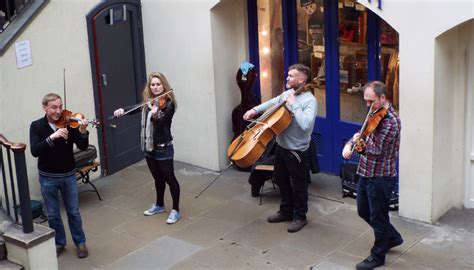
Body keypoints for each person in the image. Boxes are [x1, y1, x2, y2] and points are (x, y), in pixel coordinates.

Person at [243, 63, 317, 233]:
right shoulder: (287, 93)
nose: (287, 78)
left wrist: (294, 105)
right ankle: (285, 211)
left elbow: (306, 125)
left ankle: (300, 216)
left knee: (299, 185)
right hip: (282, 147)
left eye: (291, 76)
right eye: (288, 75)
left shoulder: (310, 101)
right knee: (281, 180)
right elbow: (272, 103)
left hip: (297, 151)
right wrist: (254, 110)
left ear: (301, 79)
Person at [342, 81, 403, 270]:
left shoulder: (391, 121)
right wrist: (352, 141)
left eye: (371, 101)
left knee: (378, 216)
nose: (367, 106)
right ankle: (392, 237)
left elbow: (376, 149)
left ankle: (378, 255)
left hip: (381, 177)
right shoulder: (374, 114)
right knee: (363, 211)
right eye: (366, 101)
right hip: (366, 171)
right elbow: (363, 134)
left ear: (383, 98)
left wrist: (357, 147)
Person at [113, 72, 181, 224]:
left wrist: (157, 115)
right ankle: (159, 205)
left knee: (170, 178)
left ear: (164, 85)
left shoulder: (169, 104)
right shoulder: (148, 102)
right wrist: (122, 111)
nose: (155, 87)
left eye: (158, 84)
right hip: (149, 146)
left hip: (163, 146)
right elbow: (135, 110)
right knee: (157, 177)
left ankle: (176, 209)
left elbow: (163, 124)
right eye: (153, 84)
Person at [29, 93, 89, 258]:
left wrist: (83, 130)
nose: (58, 111)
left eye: (60, 106)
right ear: (45, 108)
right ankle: (59, 243)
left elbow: (83, 146)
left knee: (73, 212)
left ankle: (80, 243)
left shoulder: (69, 123)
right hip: (48, 177)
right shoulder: (37, 126)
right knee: (53, 214)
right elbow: (35, 151)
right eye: (54, 107)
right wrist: (53, 137)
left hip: (68, 175)